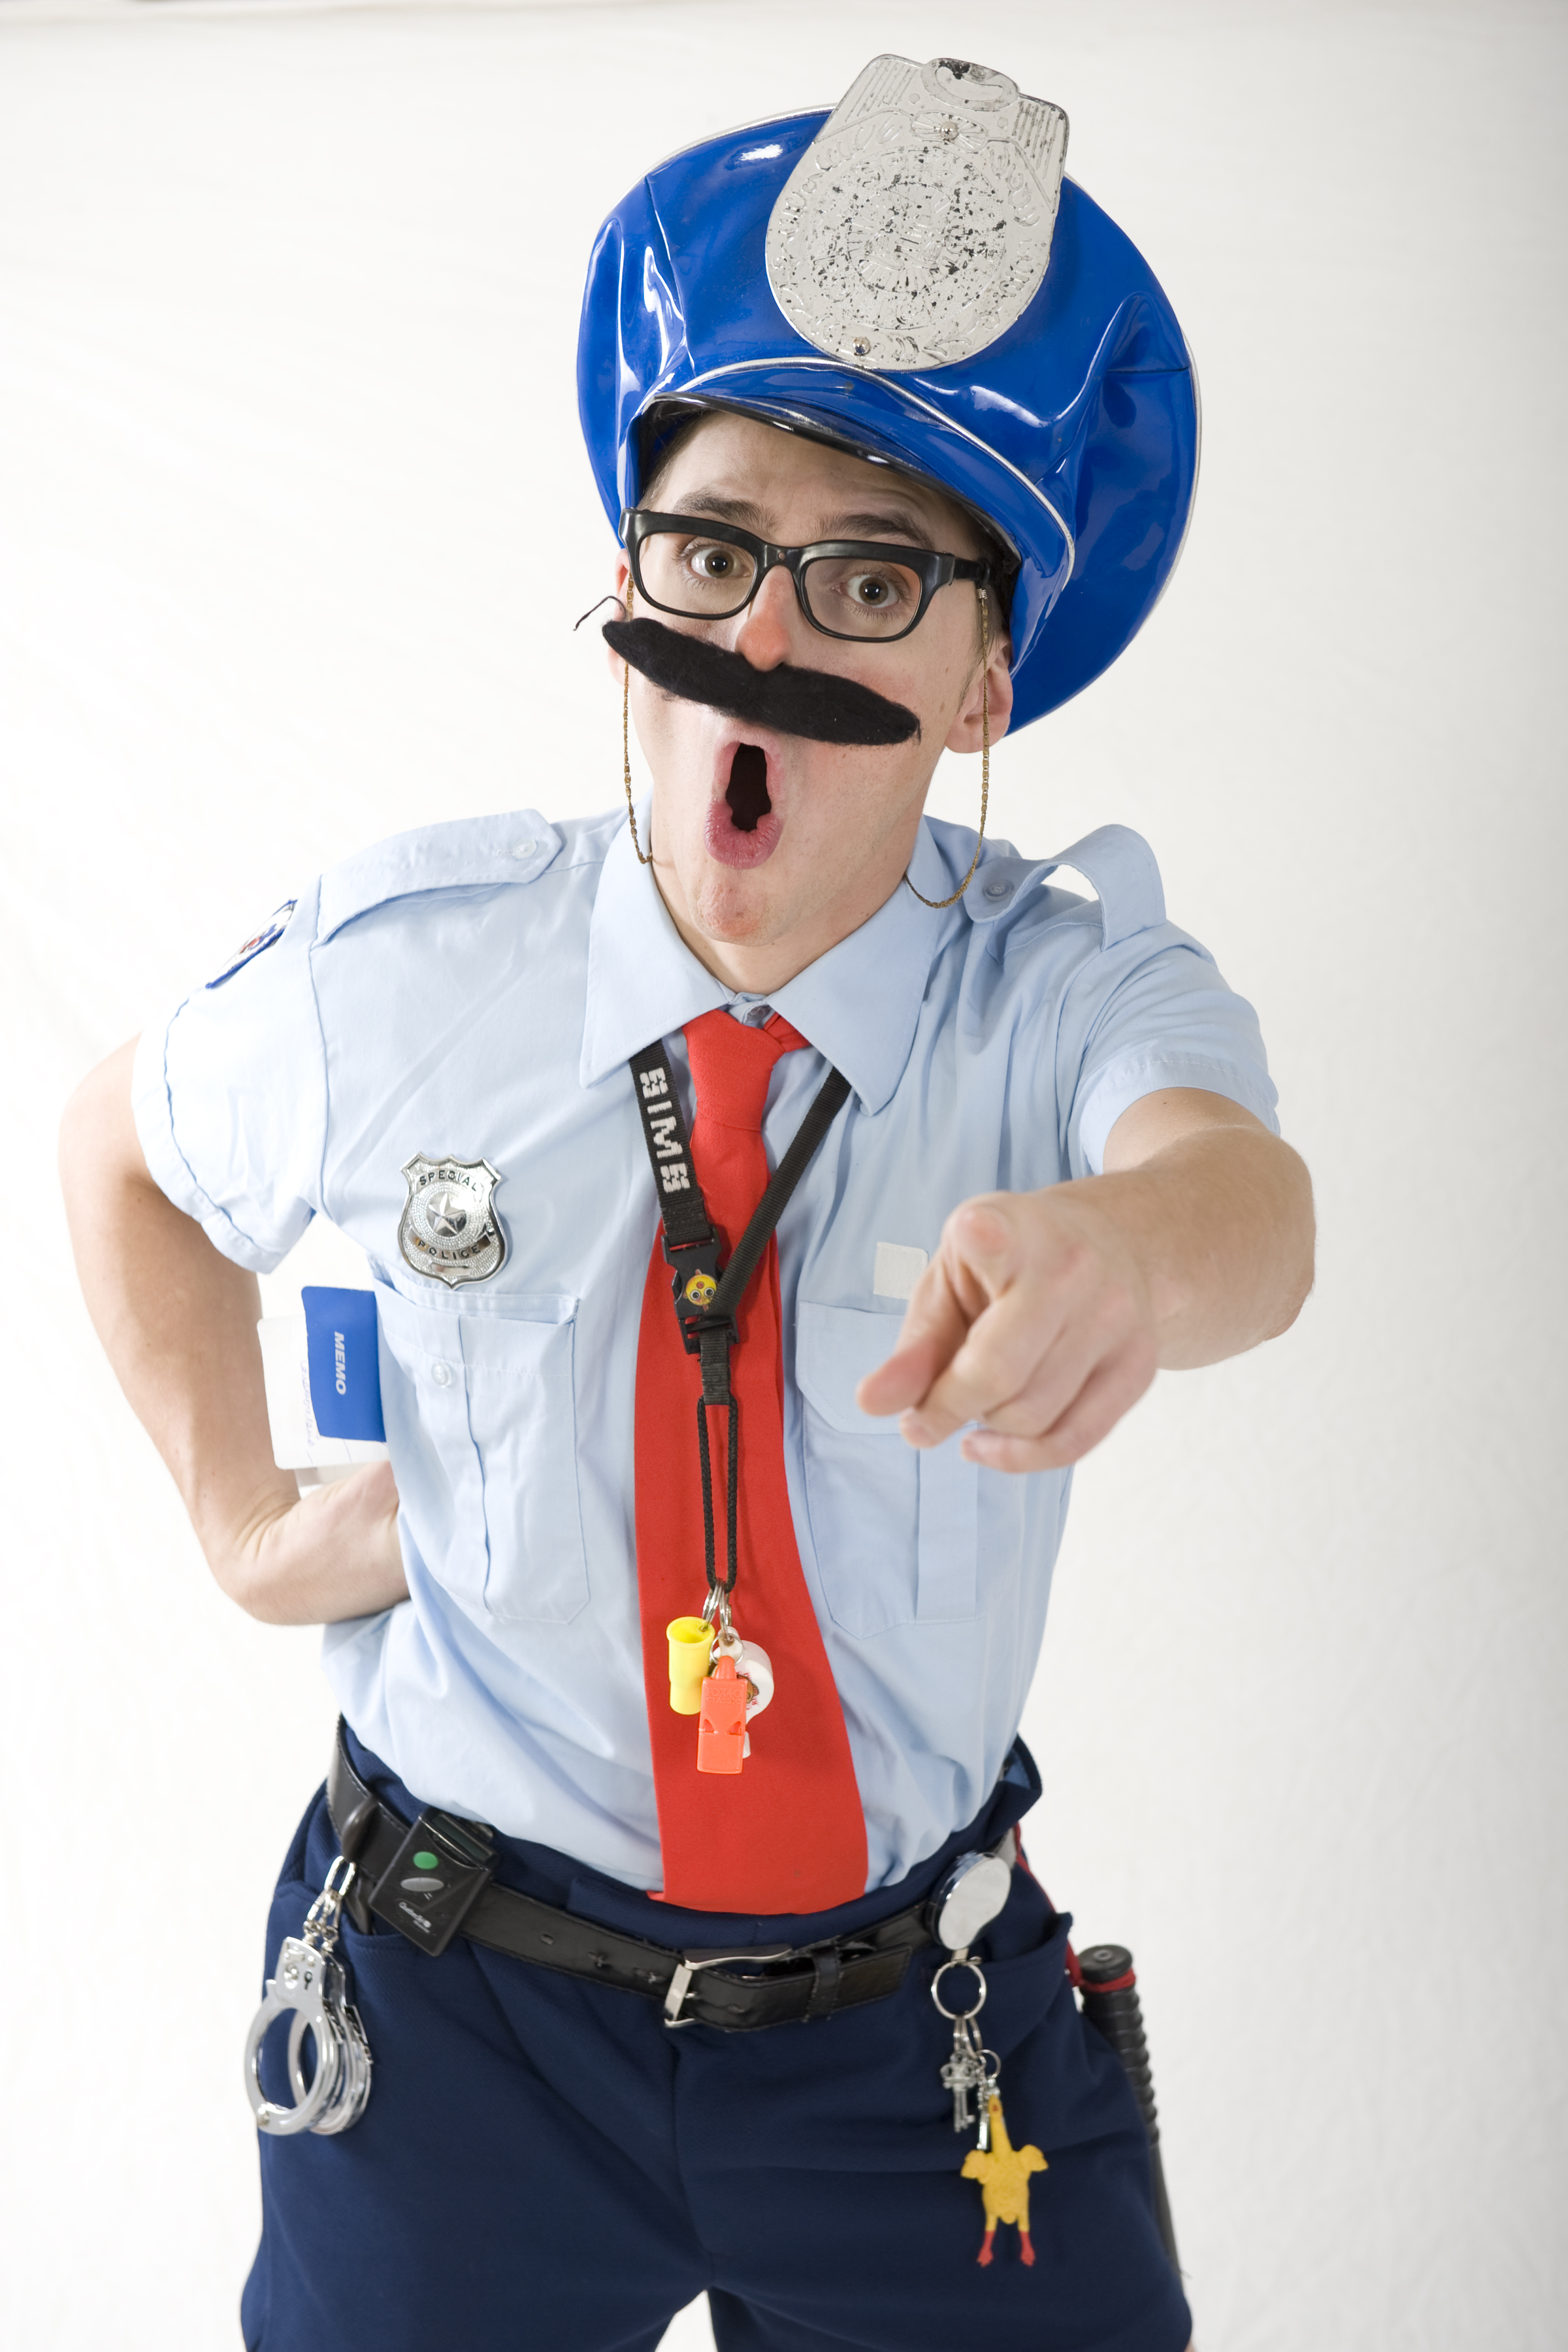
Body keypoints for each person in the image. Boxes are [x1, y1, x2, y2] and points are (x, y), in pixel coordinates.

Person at [59, 52, 1313, 2352]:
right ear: (622, 580)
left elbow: (1245, 1197)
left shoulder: (1058, 994)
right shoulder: (400, 974)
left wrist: (1130, 1251)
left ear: (982, 670)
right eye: (715, 549)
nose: (763, 642)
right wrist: (241, 1520)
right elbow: (118, 1148)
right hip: (453, 2030)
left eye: (868, 577)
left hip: (907, 2053)